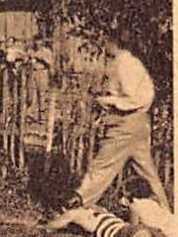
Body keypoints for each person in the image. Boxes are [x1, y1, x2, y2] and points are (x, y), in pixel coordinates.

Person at [71, 30, 171, 211]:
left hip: (126, 123)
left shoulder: (124, 64)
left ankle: (77, 205)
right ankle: (165, 211)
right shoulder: (129, 62)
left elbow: (134, 98)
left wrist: (108, 101)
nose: (104, 45)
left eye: (107, 41)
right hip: (138, 123)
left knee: (102, 165)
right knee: (147, 171)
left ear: (115, 42)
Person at [42, 203, 170, 237]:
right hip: (136, 228)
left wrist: (43, 226)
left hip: (123, 234)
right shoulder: (96, 210)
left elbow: (52, 226)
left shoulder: (76, 213)